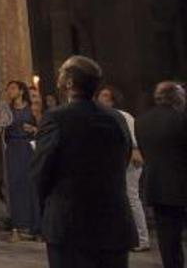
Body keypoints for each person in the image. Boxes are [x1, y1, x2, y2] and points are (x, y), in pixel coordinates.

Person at [32, 55, 137, 267]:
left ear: (69, 82)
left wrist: (49, 206)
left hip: (70, 223)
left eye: (62, 72)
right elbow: (124, 158)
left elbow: (41, 171)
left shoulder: (56, 118)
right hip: (113, 221)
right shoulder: (116, 117)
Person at [135, 81, 187, 268]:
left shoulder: (142, 121)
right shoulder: (181, 118)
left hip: (156, 186)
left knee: (167, 240)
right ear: (175, 97)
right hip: (182, 185)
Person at [97, 85, 150, 253]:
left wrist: (135, 149)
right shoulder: (102, 116)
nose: (102, 98)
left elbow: (133, 136)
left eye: (106, 96)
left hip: (129, 161)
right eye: (101, 95)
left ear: (113, 99)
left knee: (132, 197)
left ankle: (142, 239)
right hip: (114, 162)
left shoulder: (124, 115)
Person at [0, 80, 39, 241]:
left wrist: (34, 129)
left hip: (28, 147)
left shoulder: (31, 107)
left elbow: (41, 127)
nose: (10, 91)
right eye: (8, 89)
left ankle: (34, 227)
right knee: (14, 186)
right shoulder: (7, 109)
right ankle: (17, 227)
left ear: (21, 91)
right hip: (13, 148)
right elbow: (0, 130)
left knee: (31, 185)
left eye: (13, 88)